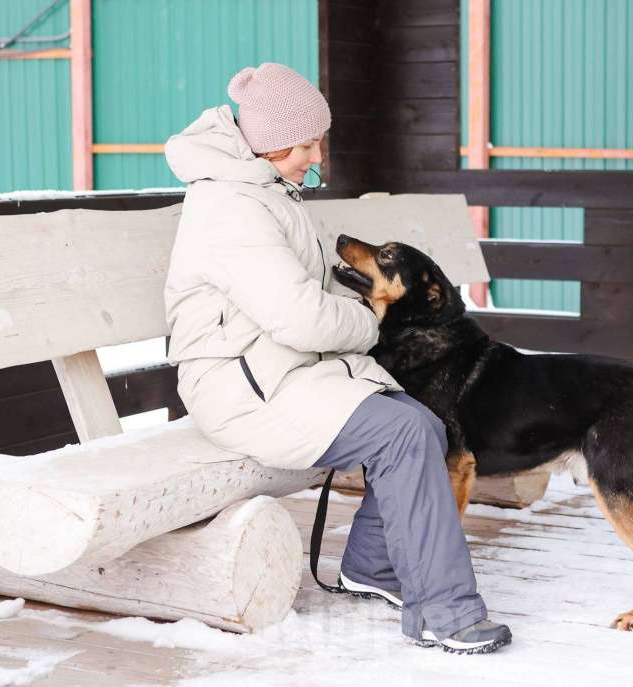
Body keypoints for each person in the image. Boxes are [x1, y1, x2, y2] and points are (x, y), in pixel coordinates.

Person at [162, 62, 511, 654]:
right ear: (270, 141)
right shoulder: (231, 207)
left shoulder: (265, 191)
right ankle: (444, 612)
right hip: (241, 389)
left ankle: (374, 567)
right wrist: (372, 321)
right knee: (401, 433)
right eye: (306, 144)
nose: (315, 155)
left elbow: (307, 299)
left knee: (423, 424)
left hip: (280, 373)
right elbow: (299, 316)